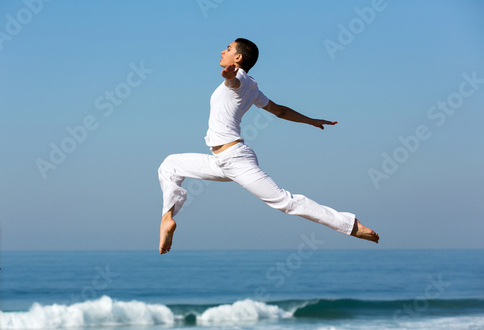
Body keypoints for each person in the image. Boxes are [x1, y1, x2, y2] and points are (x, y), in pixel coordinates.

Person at [158, 38, 379, 254]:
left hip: (235, 160)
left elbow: (235, 83)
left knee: (285, 202)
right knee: (170, 165)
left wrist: (230, 78)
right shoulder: (252, 86)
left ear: (238, 57)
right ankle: (167, 220)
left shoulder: (240, 80)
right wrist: (311, 120)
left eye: (227, 48)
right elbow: (278, 110)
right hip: (220, 161)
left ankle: (349, 226)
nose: (222, 51)